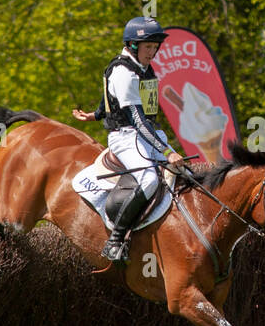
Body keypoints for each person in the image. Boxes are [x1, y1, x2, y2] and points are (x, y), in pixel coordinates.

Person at [72, 16, 186, 262]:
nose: (152, 53)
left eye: (155, 48)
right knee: (148, 180)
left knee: (183, 173)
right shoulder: (124, 71)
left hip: (146, 133)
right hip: (126, 137)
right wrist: (167, 152)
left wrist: (96, 114)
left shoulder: (145, 68)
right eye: (148, 47)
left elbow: (112, 99)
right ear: (132, 45)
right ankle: (115, 240)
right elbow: (136, 119)